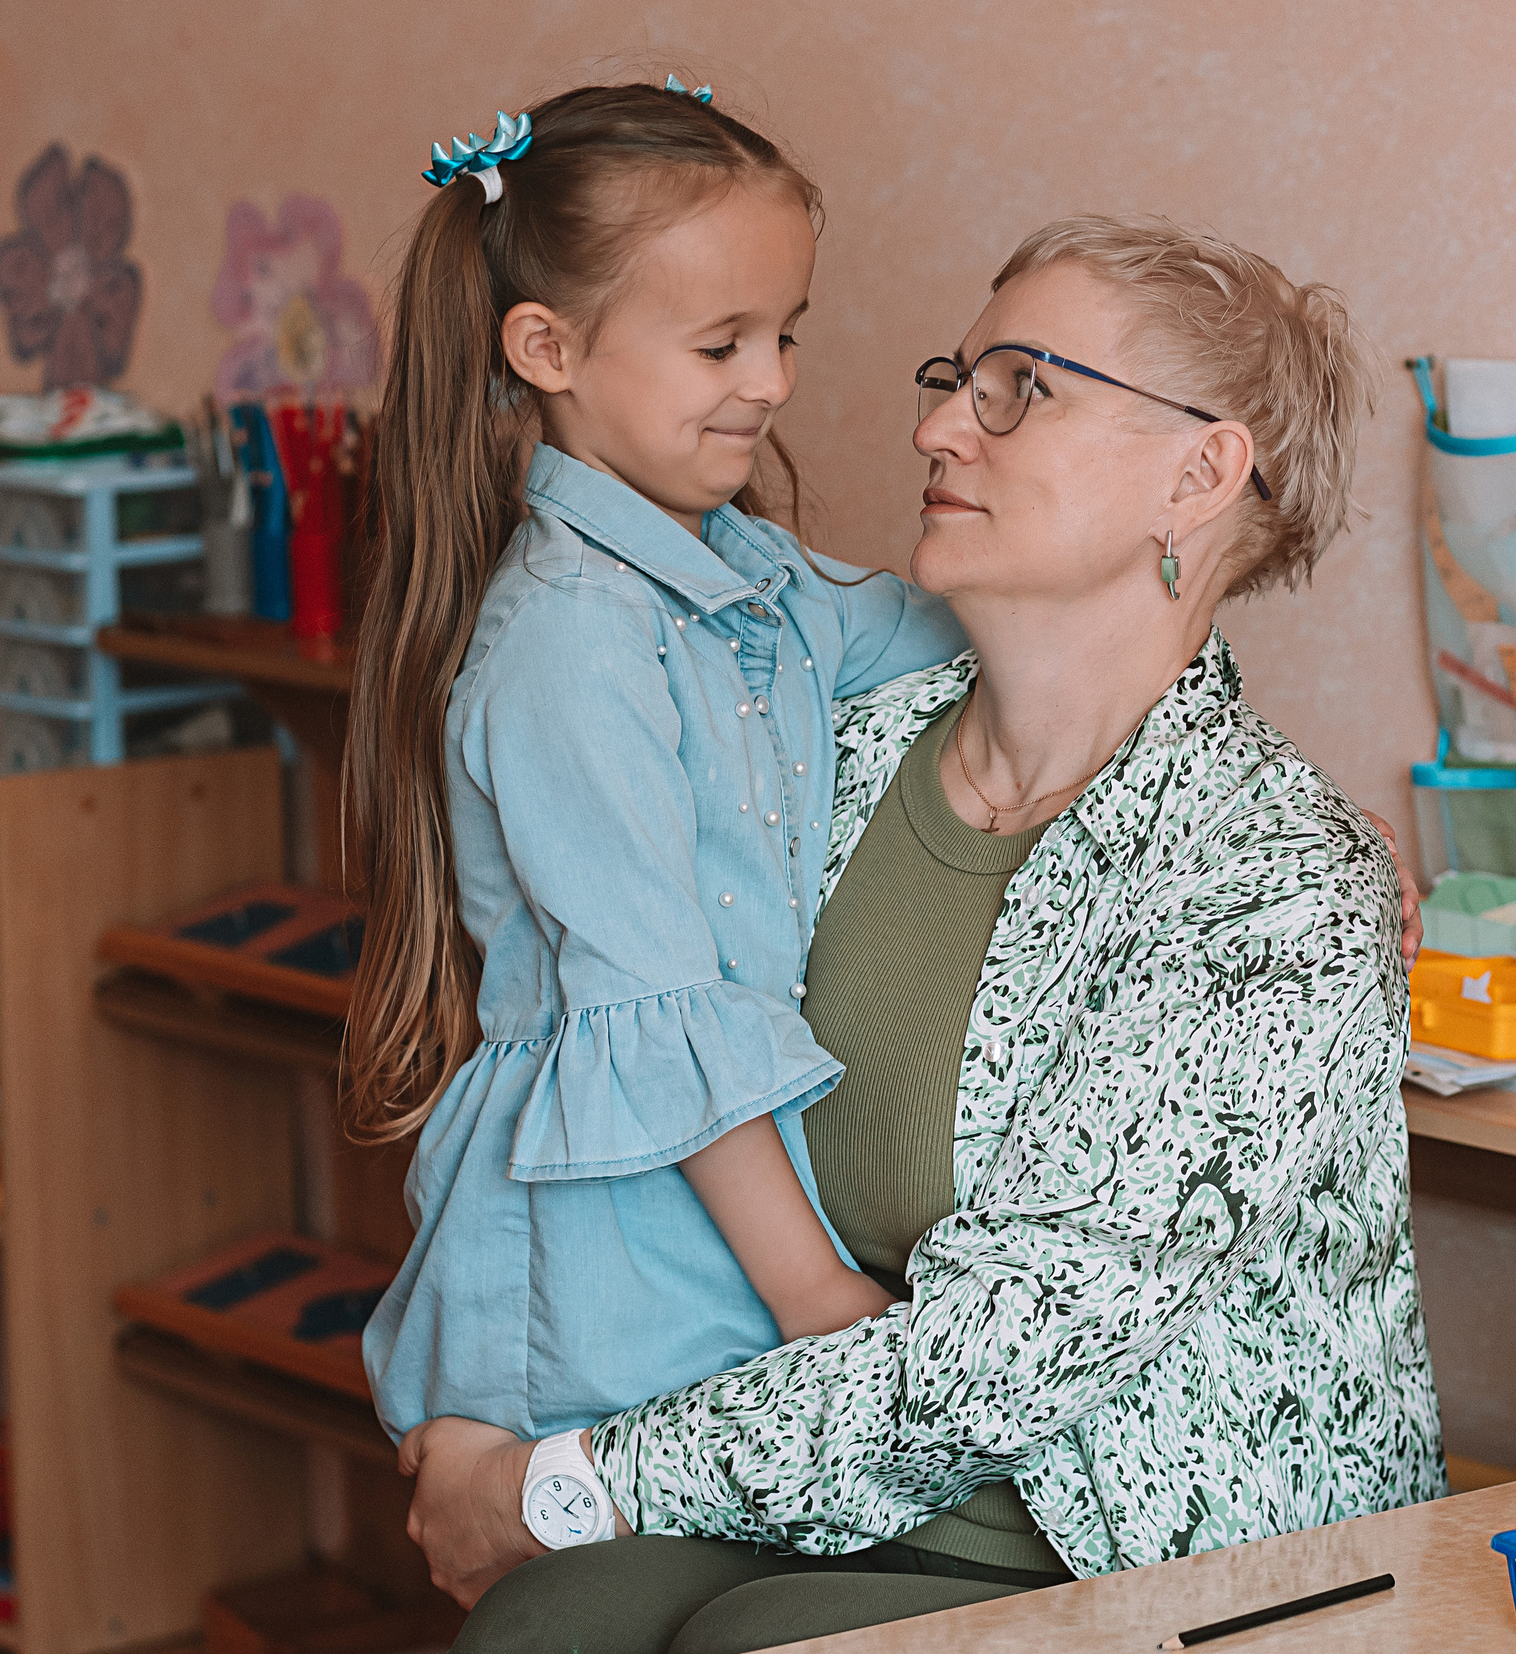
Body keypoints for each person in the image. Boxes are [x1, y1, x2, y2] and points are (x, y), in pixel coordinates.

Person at [400, 215, 1447, 1654]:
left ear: (1200, 473)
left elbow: (993, 1362)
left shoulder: (1275, 879)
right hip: (821, 1478)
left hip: (1157, 1550)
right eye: (957, 375)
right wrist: (500, 1420)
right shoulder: (818, 755)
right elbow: (614, 1022)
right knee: (538, 1638)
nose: (939, 427)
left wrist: (563, 1490)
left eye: (1022, 386)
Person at [348, 79, 968, 1448]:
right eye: (722, 344)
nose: (775, 382)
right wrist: (811, 1288)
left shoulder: (745, 576)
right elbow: (653, 1002)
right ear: (549, 348)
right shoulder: (570, 645)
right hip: (604, 1236)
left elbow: (938, 633)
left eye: (786, 333)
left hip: (717, 1193)